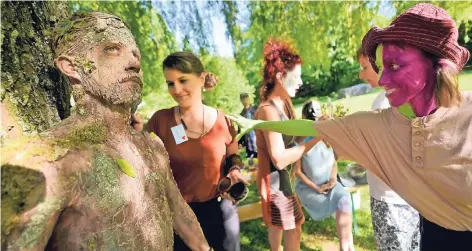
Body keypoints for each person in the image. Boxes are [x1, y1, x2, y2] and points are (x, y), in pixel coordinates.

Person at [230, 4, 472, 251]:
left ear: (436, 64)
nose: (383, 79)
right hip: (433, 235)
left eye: (395, 66)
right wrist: (257, 124)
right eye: (380, 68)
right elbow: (311, 130)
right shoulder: (375, 125)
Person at [1, 12, 210, 251]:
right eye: (112, 49)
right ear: (71, 66)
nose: (135, 63)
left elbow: (179, 210)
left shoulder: (152, 148)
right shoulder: (49, 161)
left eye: (135, 54)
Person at [132, 52, 245, 251]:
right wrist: (136, 134)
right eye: (170, 83)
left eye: (183, 80)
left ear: (201, 79)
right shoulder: (160, 121)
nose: (176, 89)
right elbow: (143, 162)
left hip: (220, 212)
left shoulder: (223, 120)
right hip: (180, 218)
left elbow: (232, 156)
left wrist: (234, 171)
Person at [254, 38, 318, 251]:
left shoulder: (285, 104)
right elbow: (280, 158)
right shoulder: (267, 111)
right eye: (296, 76)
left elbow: (292, 140)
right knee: (295, 228)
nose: (300, 81)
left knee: (288, 227)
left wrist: (317, 128)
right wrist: (317, 138)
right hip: (275, 186)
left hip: (285, 182)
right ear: (280, 77)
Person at [357, 48, 420, 251]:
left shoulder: (383, 103)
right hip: (412, 201)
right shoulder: (406, 96)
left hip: (389, 202)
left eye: (364, 67)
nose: (361, 74)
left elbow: (376, 155)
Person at [294, 100, 354, 251]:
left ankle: (346, 247)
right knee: (339, 204)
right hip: (309, 188)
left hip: (329, 184)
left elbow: (334, 162)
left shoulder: (327, 138)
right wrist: (316, 188)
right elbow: (297, 172)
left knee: (344, 200)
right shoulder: (301, 140)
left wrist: (333, 179)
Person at [239, 93, 258, 159]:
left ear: (248, 99)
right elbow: (240, 129)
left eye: (246, 98)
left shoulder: (256, 109)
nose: (245, 100)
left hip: (259, 142)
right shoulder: (241, 114)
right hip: (249, 145)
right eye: (243, 99)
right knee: (251, 166)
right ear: (241, 101)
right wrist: (240, 142)